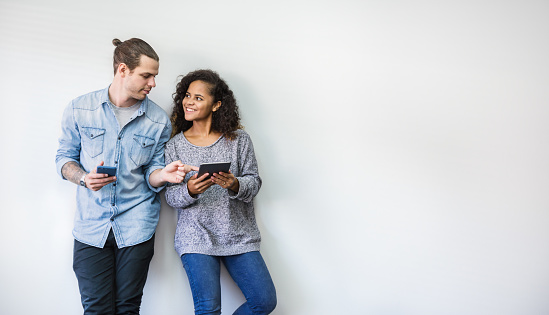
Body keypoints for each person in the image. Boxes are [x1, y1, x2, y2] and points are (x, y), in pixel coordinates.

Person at [55, 38, 197, 314]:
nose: (153, 83)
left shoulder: (158, 121)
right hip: (90, 227)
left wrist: (163, 174)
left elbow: (151, 175)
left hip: (136, 226)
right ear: (123, 70)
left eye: (155, 76)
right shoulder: (80, 109)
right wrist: (84, 178)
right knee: (96, 308)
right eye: (146, 75)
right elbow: (63, 159)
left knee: (128, 308)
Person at [164, 69, 277, 315]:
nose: (189, 102)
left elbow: (254, 183)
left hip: (239, 235)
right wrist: (190, 190)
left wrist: (234, 184)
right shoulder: (174, 146)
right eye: (187, 95)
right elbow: (171, 196)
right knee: (208, 309)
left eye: (198, 98)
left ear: (216, 105)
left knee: (264, 301)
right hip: (195, 238)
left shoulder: (239, 140)